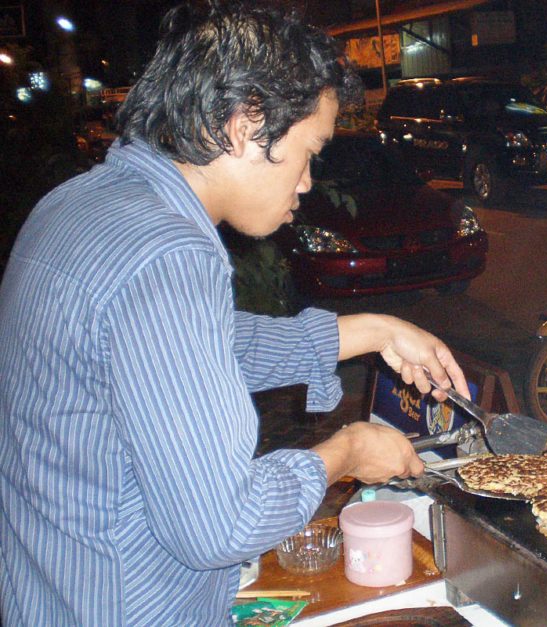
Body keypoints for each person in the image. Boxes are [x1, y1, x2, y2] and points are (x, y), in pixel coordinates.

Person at [0, 1, 469, 624]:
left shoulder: (79, 204)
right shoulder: (167, 251)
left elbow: (180, 355)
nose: (306, 181)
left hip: (50, 591)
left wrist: (369, 331)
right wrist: (347, 453)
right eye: (310, 149)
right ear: (246, 126)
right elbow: (220, 523)